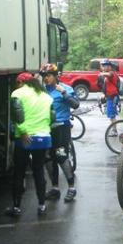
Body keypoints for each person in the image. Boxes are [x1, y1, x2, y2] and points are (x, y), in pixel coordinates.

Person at [6, 72, 53, 216]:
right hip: (44, 138)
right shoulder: (46, 96)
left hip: (25, 138)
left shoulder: (17, 93)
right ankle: (42, 205)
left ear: (21, 82)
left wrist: (24, 132)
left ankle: (16, 207)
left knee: (19, 172)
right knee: (39, 171)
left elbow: (17, 115)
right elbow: (52, 116)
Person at [40, 63, 80, 203]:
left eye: (48, 76)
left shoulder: (65, 88)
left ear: (56, 76)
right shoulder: (42, 91)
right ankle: (55, 188)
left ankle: (71, 188)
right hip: (46, 128)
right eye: (44, 76)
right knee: (48, 159)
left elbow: (75, 104)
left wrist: (63, 92)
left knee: (61, 156)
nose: (46, 78)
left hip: (62, 127)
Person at [98, 59, 120, 133]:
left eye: (105, 66)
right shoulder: (107, 75)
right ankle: (114, 128)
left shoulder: (112, 73)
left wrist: (102, 74)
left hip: (113, 97)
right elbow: (105, 87)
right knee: (111, 115)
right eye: (103, 66)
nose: (103, 67)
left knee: (112, 115)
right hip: (109, 97)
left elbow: (109, 75)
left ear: (109, 66)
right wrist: (103, 94)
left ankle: (114, 130)